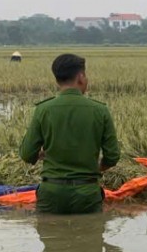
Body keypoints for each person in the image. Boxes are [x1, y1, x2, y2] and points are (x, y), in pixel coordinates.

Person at [19, 53, 120, 214]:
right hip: (87, 193)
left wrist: (42, 155)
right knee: (89, 236)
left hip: (51, 193)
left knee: (52, 235)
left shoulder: (43, 110)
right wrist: (93, 168)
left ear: (57, 79)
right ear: (80, 77)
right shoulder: (100, 110)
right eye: (85, 76)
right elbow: (113, 156)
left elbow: (26, 154)